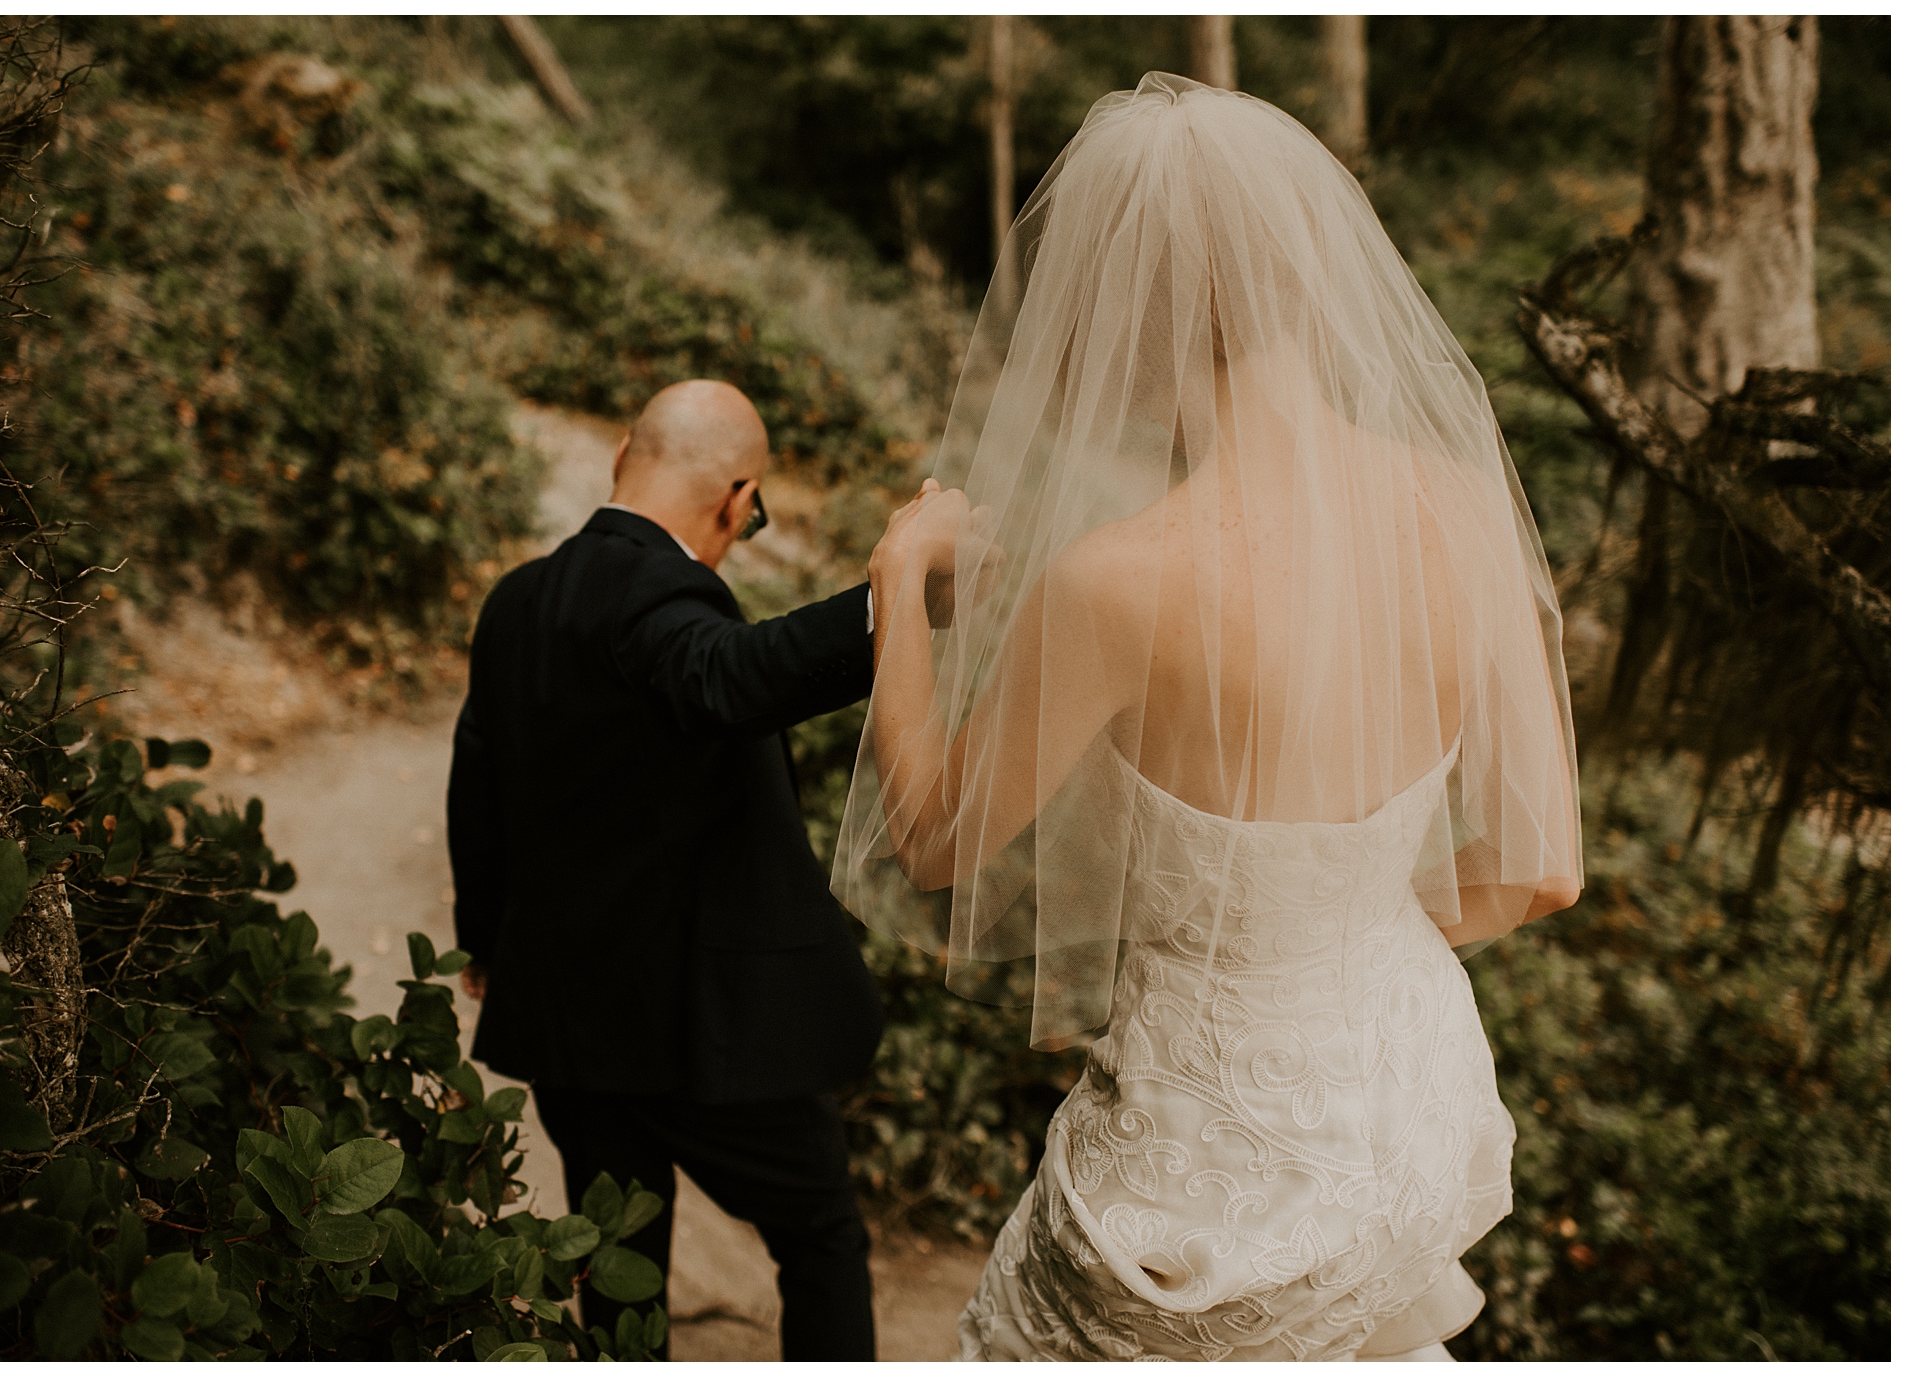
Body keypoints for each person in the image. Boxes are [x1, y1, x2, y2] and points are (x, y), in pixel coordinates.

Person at [833, 75, 1584, 1361]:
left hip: (1203, 1166)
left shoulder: (1117, 583)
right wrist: (1326, 958)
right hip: (1403, 1109)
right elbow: (1542, 873)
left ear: (1134, 318)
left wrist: (901, 577)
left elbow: (935, 841)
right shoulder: (1458, 507)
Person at [447, 379, 883, 1360]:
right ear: (737, 498)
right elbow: (730, 678)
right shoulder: (664, 593)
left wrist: (484, 938)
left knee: (617, 1259)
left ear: (617, 454)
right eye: (753, 509)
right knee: (818, 1236)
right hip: (698, 1026)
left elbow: (475, 779)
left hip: (566, 1015)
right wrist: (896, 594)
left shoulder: (516, 601)